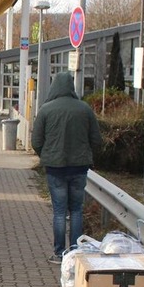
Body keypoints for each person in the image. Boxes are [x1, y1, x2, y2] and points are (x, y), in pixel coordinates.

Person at [30, 72, 102, 263]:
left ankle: (59, 253)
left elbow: (36, 141)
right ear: (71, 87)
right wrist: (88, 155)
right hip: (79, 167)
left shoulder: (46, 110)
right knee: (76, 209)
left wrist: (46, 156)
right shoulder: (84, 109)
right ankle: (76, 251)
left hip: (56, 168)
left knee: (60, 211)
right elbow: (96, 139)